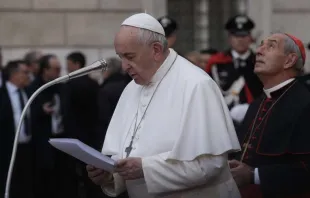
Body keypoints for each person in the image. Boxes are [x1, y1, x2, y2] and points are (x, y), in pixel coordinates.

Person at [87, 13, 241, 198]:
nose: (124, 66)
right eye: (121, 57)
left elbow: (210, 165)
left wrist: (146, 168)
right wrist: (111, 175)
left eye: (129, 56)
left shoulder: (196, 85)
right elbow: (128, 153)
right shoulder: (131, 88)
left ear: (156, 50)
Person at [229, 32, 310, 198]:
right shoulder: (258, 103)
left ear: (289, 60)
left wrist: (254, 175)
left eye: (271, 46)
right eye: (261, 45)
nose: (259, 50)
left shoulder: (305, 103)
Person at [205, 15, 263, 126]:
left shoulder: (260, 61)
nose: (240, 39)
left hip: (255, 120)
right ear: (229, 38)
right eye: (236, 35)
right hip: (223, 120)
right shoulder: (217, 63)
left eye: (244, 35)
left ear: (250, 38)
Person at [0, 60, 33, 198]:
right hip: (5, 150)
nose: (29, 76)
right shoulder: (2, 94)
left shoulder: (28, 91)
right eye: (25, 73)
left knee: (25, 187)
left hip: (27, 149)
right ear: (14, 74)